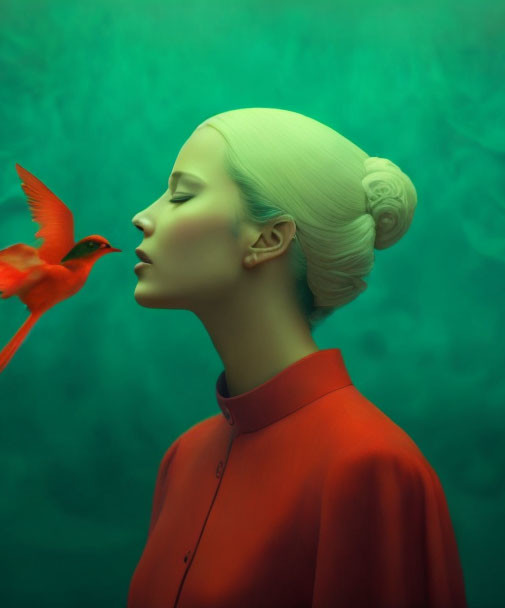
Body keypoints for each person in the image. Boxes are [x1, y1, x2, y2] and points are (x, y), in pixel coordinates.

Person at [127, 108, 467, 608]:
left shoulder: (370, 469)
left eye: (181, 194)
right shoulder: (183, 459)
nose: (145, 216)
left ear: (269, 238)